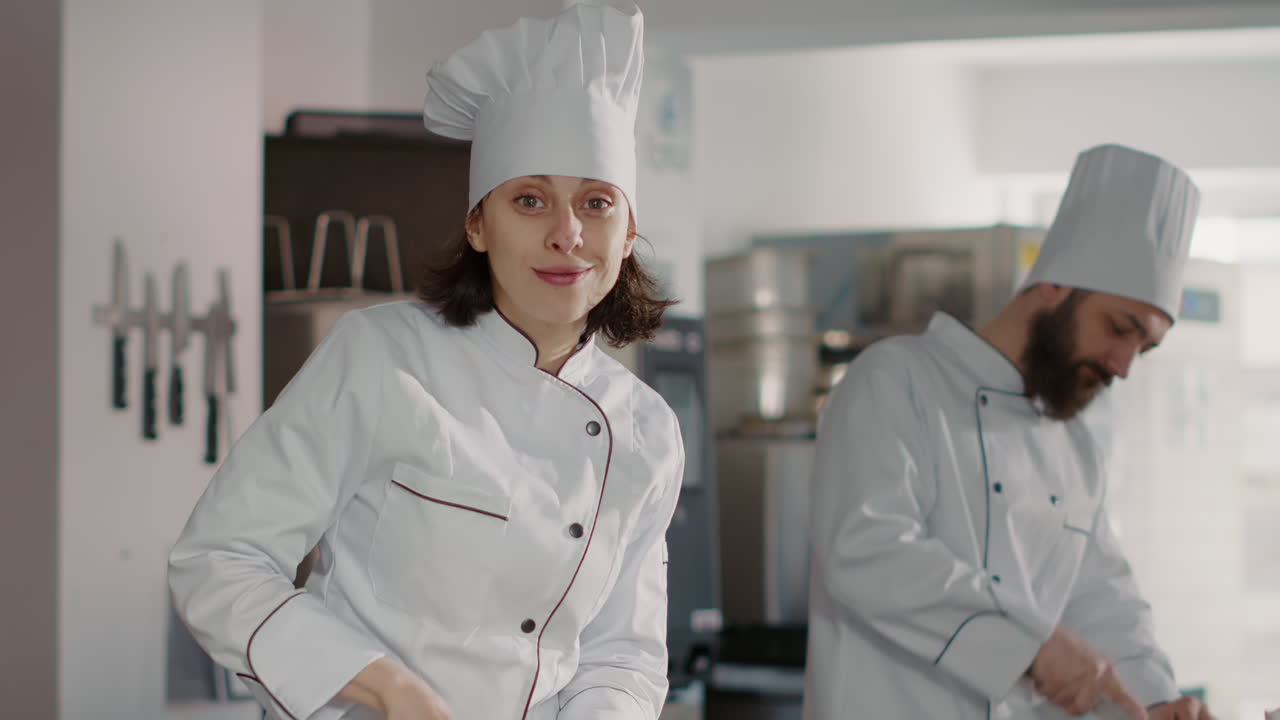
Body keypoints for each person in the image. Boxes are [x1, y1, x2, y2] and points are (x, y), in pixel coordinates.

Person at [169, 4, 685, 720]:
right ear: (478, 223)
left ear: (628, 233)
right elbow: (219, 561)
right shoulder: (384, 357)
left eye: (596, 203)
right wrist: (390, 689)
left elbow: (622, 652)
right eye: (529, 200)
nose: (567, 234)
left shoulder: (648, 432)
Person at [803, 144, 1215, 720]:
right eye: (1119, 328)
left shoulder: (1076, 446)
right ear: (1052, 286)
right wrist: (1030, 646)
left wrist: (1156, 698)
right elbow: (866, 549)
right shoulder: (896, 381)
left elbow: (1100, 596)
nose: (1123, 364)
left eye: (1143, 348)